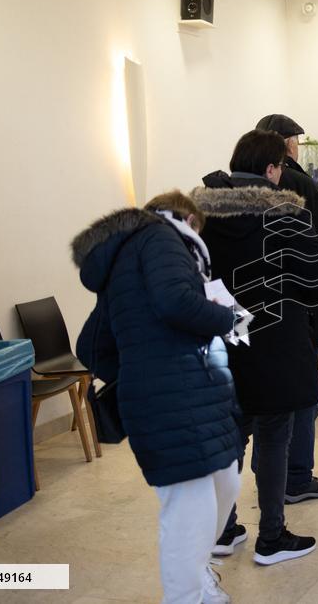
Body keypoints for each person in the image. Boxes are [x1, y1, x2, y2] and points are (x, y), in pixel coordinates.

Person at [72, 191, 240, 603]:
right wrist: (228, 317)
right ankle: (186, 596)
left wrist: (136, 369)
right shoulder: (161, 236)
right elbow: (175, 301)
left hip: (188, 396)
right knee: (189, 514)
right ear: (189, 220)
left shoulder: (131, 255)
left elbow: (90, 344)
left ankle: (198, 577)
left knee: (224, 486)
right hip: (174, 401)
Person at [193, 129, 318, 566]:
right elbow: (313, 279)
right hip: (276, 342)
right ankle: (271, 537)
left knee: (231, 433)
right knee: (274, 435)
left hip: (224, 337)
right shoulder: (286, 214)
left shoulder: (201, 214)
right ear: (272, 169)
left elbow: (192, 276)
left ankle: (222, 529)